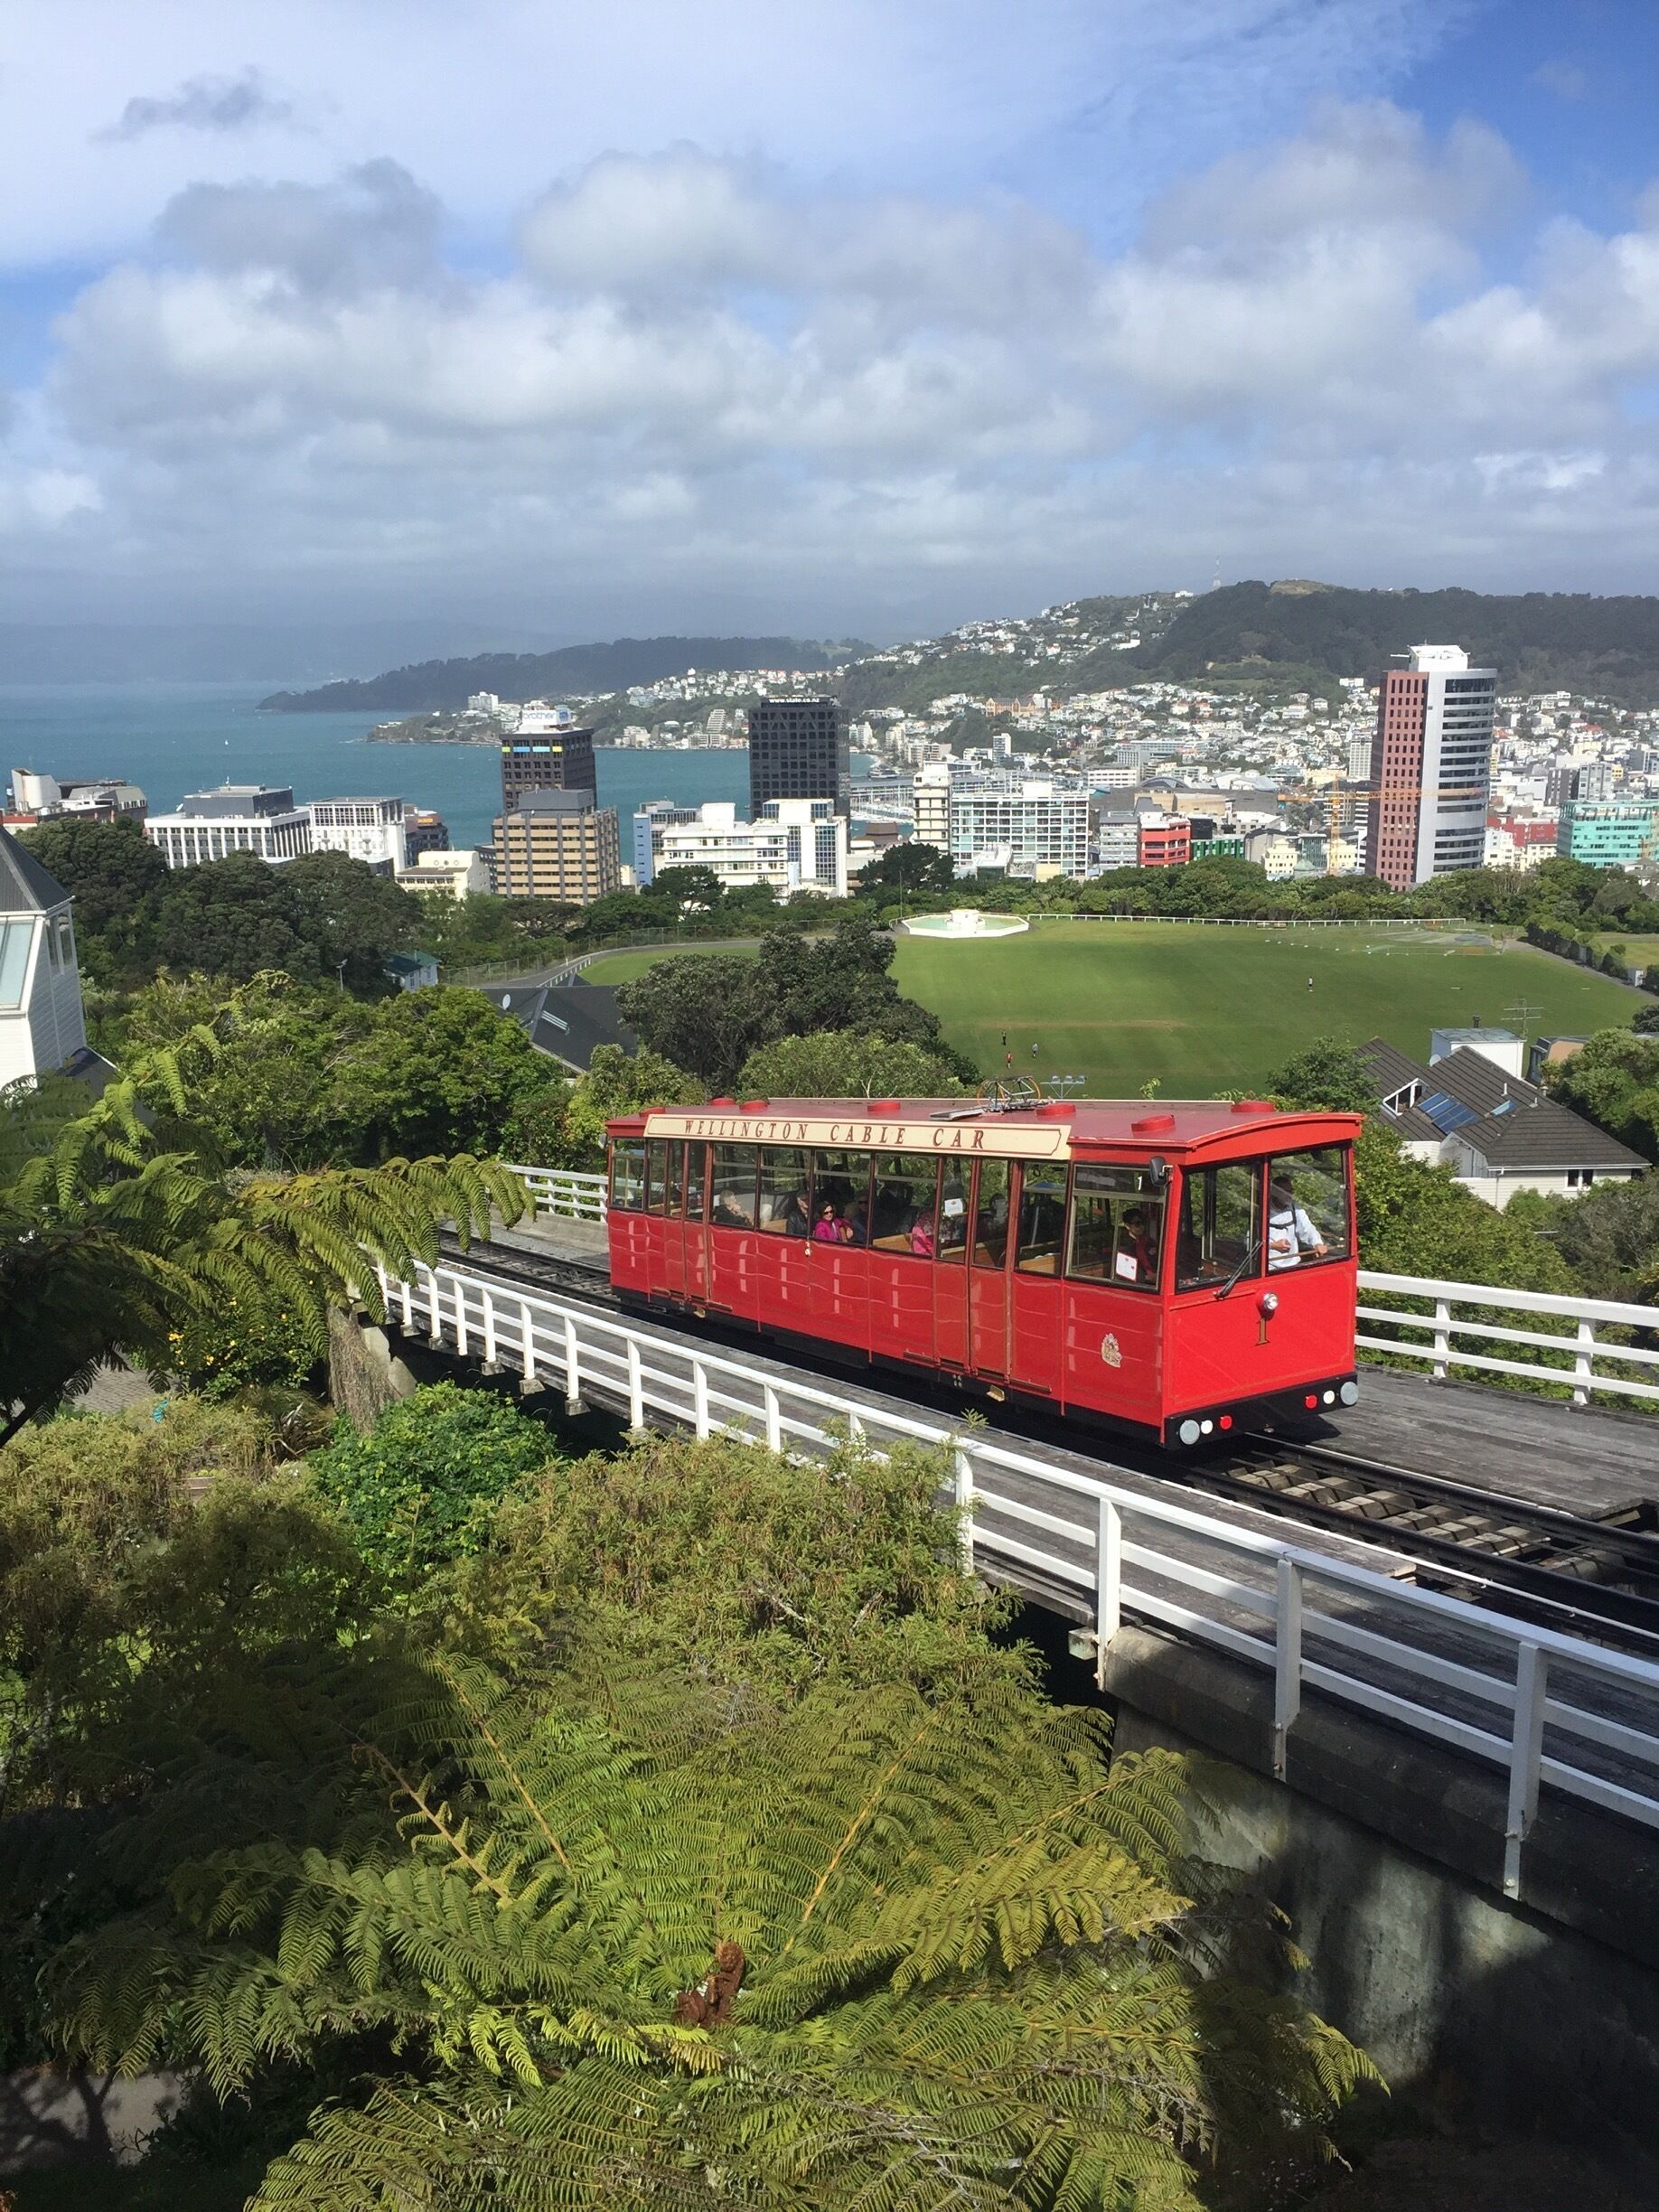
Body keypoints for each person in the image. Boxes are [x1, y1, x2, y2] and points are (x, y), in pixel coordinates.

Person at [1267, 1176, 1328, 1270]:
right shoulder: (1264, 1211)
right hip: (1270, 1268)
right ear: (1275, 1192)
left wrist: (1317, 1243)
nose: (1289, 1195)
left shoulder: (1294, 1208)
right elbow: (1250, 1241)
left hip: (1293, 1265)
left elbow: (1307, 1228)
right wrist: (1272, 1245)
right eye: (1285, 1191)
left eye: (1291, 1191)